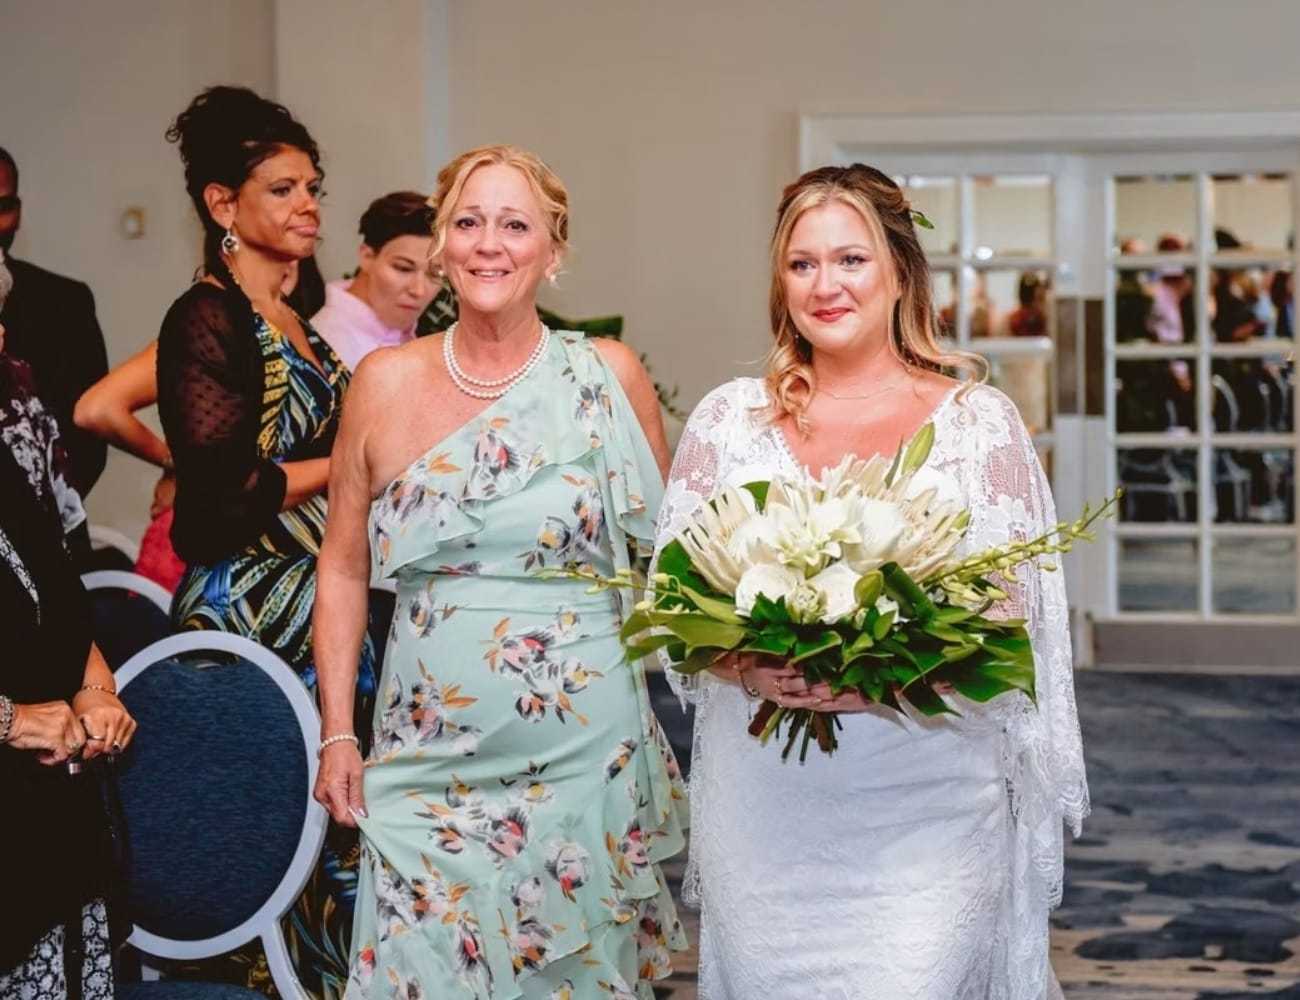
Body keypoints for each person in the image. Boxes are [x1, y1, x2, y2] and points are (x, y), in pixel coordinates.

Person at [656, 163, 1085, 998]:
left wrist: (883, 675)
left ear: (898, 272)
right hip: (771, 810)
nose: (827, 285)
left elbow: (1011, 617)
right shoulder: (729, 422)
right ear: (780, 283)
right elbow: (676, 608)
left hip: (926, 800)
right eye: (803, 264)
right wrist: (747, 664)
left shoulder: (973, 424)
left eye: (850, 260)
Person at [313, 144, 688, 998]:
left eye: (515, 224)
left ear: (552, 253)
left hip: (583, 760)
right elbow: (340, 569)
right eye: (468, 221)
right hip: (422, 759)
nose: (490, 242)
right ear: (441, 244)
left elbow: (673, 563)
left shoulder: (607, 376)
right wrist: (340, 730)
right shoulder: (381, 382)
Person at [155, 86, 372, 993]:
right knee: (387, 636)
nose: (309, 204)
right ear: (221, 204)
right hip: (244, 594)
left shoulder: (297, 323)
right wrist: (359, 459)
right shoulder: (205, 318)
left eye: (312, 185)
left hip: (309, 571)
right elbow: (220, 493)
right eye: (282, 189)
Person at [0, 247, 138, 1000]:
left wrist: (94, 690)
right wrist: (13, 721)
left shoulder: (6, 459)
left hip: (47, 828)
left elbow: (58, 599)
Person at [75, 259, 320, 592]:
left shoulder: (309, 338)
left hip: (303, 550)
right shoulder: (219, 329)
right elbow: (97, 408)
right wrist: (178, 463)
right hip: (233, 559)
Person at [0, 145, 110, 505]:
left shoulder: (64, 304)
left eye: (2, 208)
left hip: (41, 535)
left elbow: (88, 445)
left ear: (18, 211)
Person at [311, 191, 438, 370]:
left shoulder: (411, 337)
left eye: (435, 274)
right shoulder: (326, 345)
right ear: (367, 257)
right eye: (403, 268)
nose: (419, 290)